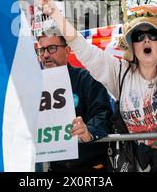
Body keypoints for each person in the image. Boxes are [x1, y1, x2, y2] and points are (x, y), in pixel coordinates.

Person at [40, 0, 157, 172]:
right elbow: (84, 49)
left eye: (152, 34)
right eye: (138, 36)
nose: (146, 40)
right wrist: (56, 15)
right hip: (142, 165)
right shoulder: (121, 73)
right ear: (132, 46)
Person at [37, 34, 113, 172]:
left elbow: (103, 113)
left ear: (67, 50)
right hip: (56, 167)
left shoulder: (88, 78)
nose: (46, 54)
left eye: (52, 48)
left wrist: (88, 132)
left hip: (91, 165)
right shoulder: (36, 86)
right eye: (42, 50)